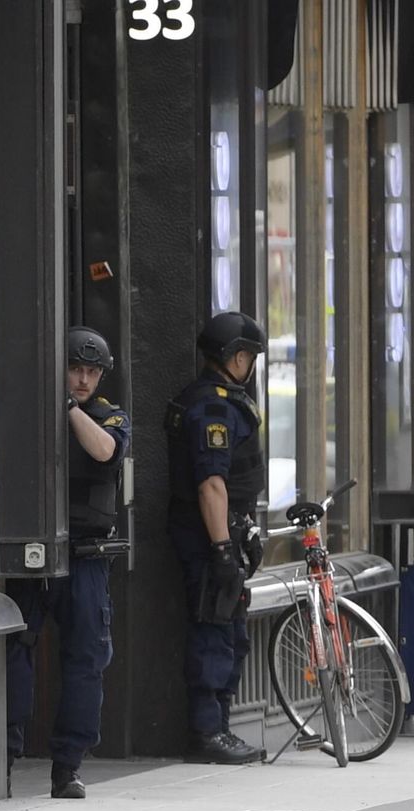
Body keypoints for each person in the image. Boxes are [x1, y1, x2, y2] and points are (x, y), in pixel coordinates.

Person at [6, 326, 131, 799]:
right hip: (29, 555)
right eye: (74, 370)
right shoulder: (25, 411)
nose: (82, 379)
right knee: (16, 650)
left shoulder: (108, 416)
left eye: (90, 372)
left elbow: (104, 452)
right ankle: (8, 754)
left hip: (85, 556)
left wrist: (68, 409)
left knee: (85, 659)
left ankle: (68, 767)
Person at [165, 311, 267, 764]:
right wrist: (223, 548)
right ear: (236, 356)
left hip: (225, 530)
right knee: (214, 632)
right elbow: (212, 484)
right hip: (208, 537)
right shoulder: (212, 407)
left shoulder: (220, 400)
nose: (251, 366)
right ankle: (208, 733)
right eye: (249, 357)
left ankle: (220, 726)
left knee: (230, 632)